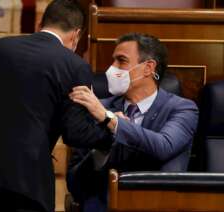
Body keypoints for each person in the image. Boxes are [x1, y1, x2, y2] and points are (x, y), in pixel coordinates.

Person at [0, 1, 115, 212]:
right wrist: (113, 129)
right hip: (28, 180)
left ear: (39, 24)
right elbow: (75, 134)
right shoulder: (75, 66)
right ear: (76, 34)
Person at [66, 33, 199, 212]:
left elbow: (163, 146)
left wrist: (110, 121)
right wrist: (101, 149)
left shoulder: (182, 108)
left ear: (148, 67)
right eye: (113, 61)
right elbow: (75, 184)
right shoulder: (96, 109)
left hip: (157, 206)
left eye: (121, 61)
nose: (111, 69)